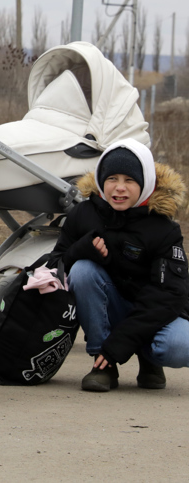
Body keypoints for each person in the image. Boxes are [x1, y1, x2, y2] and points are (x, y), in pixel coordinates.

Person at [49, 139, 189, 392]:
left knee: (182, 345)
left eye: (130, 180)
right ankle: (103, 365)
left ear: (145, 183)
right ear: (102, 178)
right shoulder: (83, 214)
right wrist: (78, 250)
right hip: (111, 305)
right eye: (112, 178)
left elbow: (168, 296)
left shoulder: (164, 229)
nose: (119, 188)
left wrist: (121, 344)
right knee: (82, 270)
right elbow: (50, 266)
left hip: (154, 313)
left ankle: (148, 359)